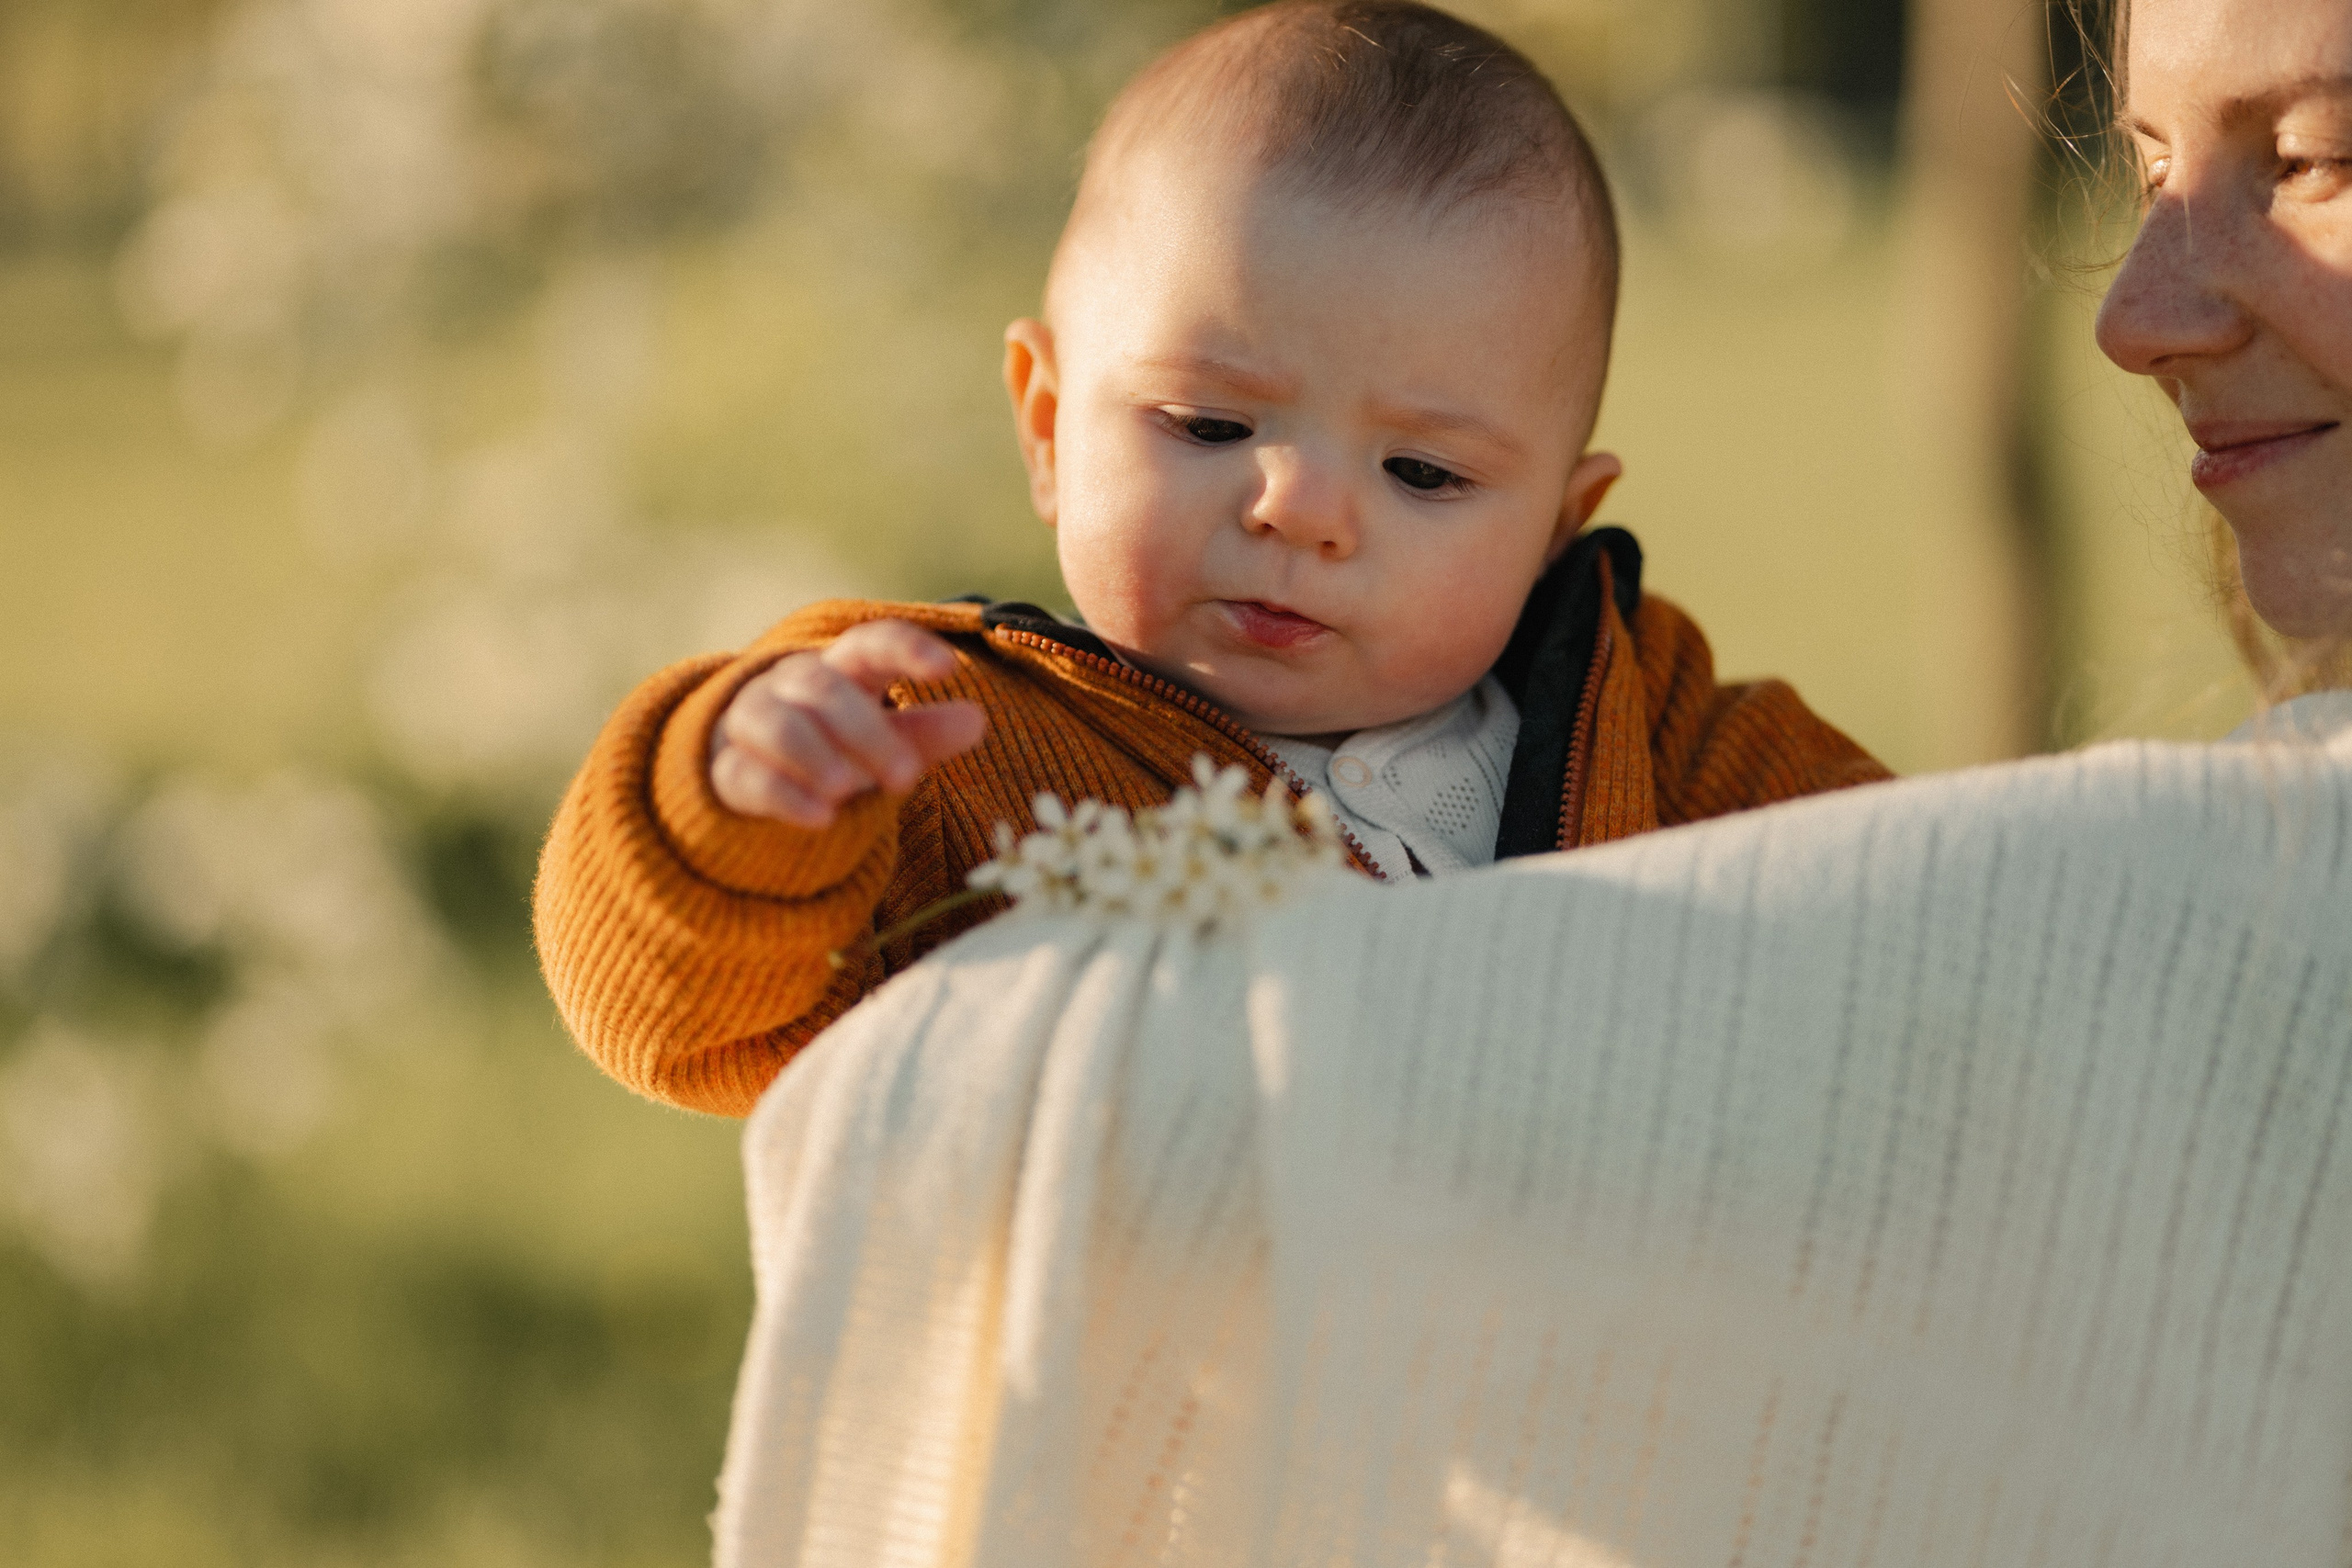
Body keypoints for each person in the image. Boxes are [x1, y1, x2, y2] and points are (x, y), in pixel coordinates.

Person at [531, 0, 1891, 1117]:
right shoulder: (944, 742)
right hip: (1155, 1429)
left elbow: (1942, 913)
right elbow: (662, 1013)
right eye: (1210, 423)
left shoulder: (1653, 736)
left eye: (1422, 472)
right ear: (1051, 425)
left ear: (1555, 527)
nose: (1298, 509)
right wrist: (739, 805)